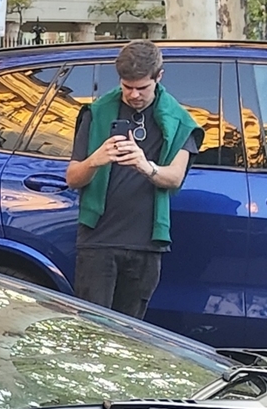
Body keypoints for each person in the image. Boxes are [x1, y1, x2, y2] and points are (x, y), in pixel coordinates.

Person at [65, 37, 197, 319]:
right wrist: (95, 160)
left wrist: (145, 165)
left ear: (159, 77)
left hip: (146, 243)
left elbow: (175, 178)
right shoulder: (97, 111)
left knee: (131, 332)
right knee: (90, 328)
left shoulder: (179, 120)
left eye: (142, 88)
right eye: (127, 87)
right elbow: (73, 178)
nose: (134, 95)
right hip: (97, 239)